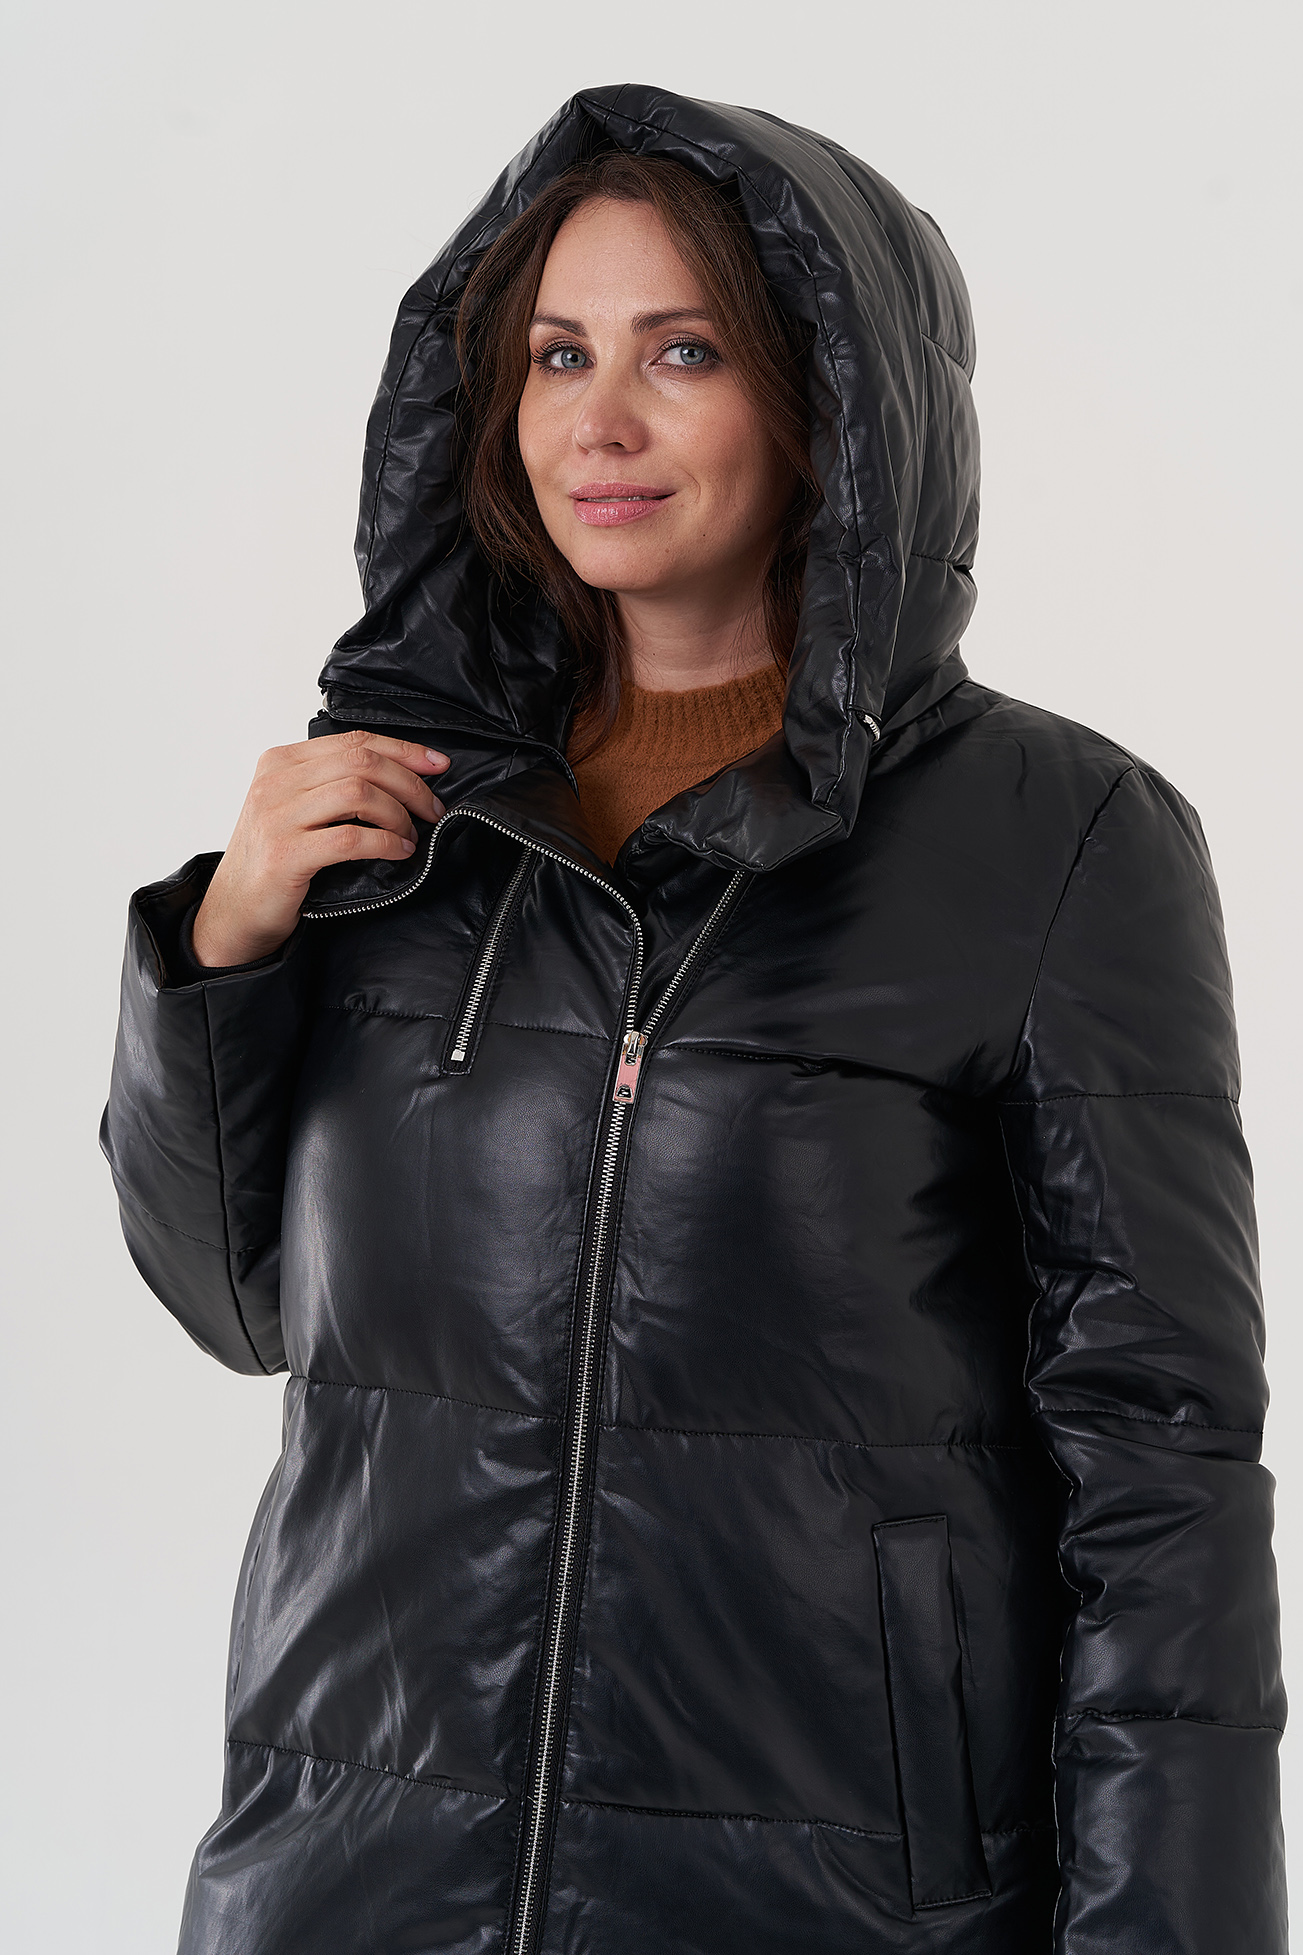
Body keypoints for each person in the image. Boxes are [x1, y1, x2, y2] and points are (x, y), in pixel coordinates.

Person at [101, 85, 1287, 1954]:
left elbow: (1161, 1476)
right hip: (353, 1886)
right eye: (558, 354)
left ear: (831, 400)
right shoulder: (406, 819)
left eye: (685, 351)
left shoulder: (1061, 842)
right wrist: (226, 950)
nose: (601, 422)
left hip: (831, 1902)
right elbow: (240, 1311)